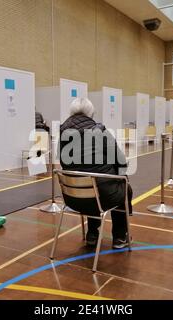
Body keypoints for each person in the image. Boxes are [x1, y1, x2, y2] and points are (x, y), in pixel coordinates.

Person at [59, 98, 133, 250]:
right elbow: (121, 161)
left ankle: (92, 234)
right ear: (91, 113)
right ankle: (119, 237)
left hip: (72, 199)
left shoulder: (62, 134)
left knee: (88, 182)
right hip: (102, 198)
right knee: (124, 186)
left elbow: (63, 163)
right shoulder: (100, 131)